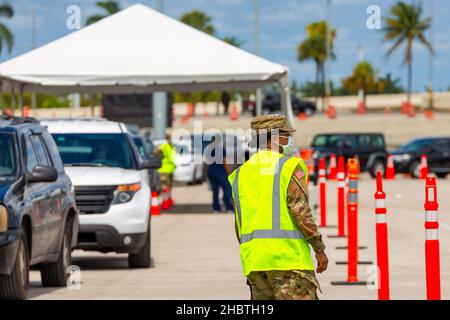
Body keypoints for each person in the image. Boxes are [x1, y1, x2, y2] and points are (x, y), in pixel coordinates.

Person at [228, 114, 328, 300]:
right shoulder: (288, 166)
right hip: (289, 262)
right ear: (274, 137)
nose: (288, 139)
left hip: (255, 263)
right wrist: (319, 248)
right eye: (285, 135)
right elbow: (300, 211)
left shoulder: (240, 174)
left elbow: (239, 224)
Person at [206, 144, 233, 213]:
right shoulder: (221, 149)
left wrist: (208, 173)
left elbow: (207, 162)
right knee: (227, 189)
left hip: (211, 172)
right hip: (221, 172)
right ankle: (228, 207)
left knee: (215, 192)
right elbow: (224, 161)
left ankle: (216, 209)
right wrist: (229, 173)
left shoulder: (209, 149)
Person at [155, 133, 176, 207]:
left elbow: (173, 157)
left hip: (170, 169)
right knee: (165, 187)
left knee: (169, 185)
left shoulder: (171, 146)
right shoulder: (163, 146)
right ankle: (165, 201)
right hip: (164, 170)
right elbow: (157, 153)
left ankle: (168, 199)